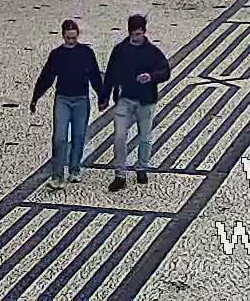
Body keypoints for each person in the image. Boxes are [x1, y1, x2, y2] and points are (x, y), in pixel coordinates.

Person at [31, 19, 103, 190]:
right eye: (68, 38)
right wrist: (36, 97)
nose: (71, 41)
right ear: (63, 36)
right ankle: (57, 175)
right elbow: (46, 77)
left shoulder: (86, 52)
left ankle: (74, 169)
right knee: (59, 138)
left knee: (78, 136)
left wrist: (102, 96)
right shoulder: (56, 55)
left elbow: (94, 75)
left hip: (81, 100)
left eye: (74, 38)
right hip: (62, 99)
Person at [102, 13, 171, 192]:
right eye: (133, 34)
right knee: (119, 137)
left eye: (139, 34)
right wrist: (104, 96)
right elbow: (110, 74)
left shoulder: (152, 52)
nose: (136, 37)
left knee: (145, 137)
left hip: (146, 100)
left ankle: (142, 168)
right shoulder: (120, 50)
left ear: (144, 32)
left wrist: (151, 76)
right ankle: (120, 174)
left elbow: (165, 71)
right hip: (124, 99)